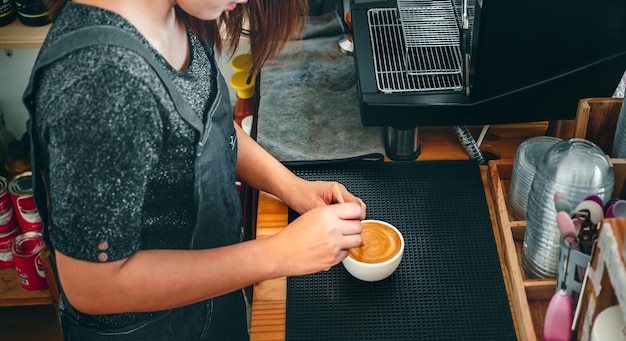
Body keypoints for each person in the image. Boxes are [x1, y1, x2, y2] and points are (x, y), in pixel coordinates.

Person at [23, 0, 366, 339]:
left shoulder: (174, 13)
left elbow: (210, 129)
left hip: (212, 303)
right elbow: (92, 286)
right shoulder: (101, 83)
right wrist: (277, 254)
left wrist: (292, 186)